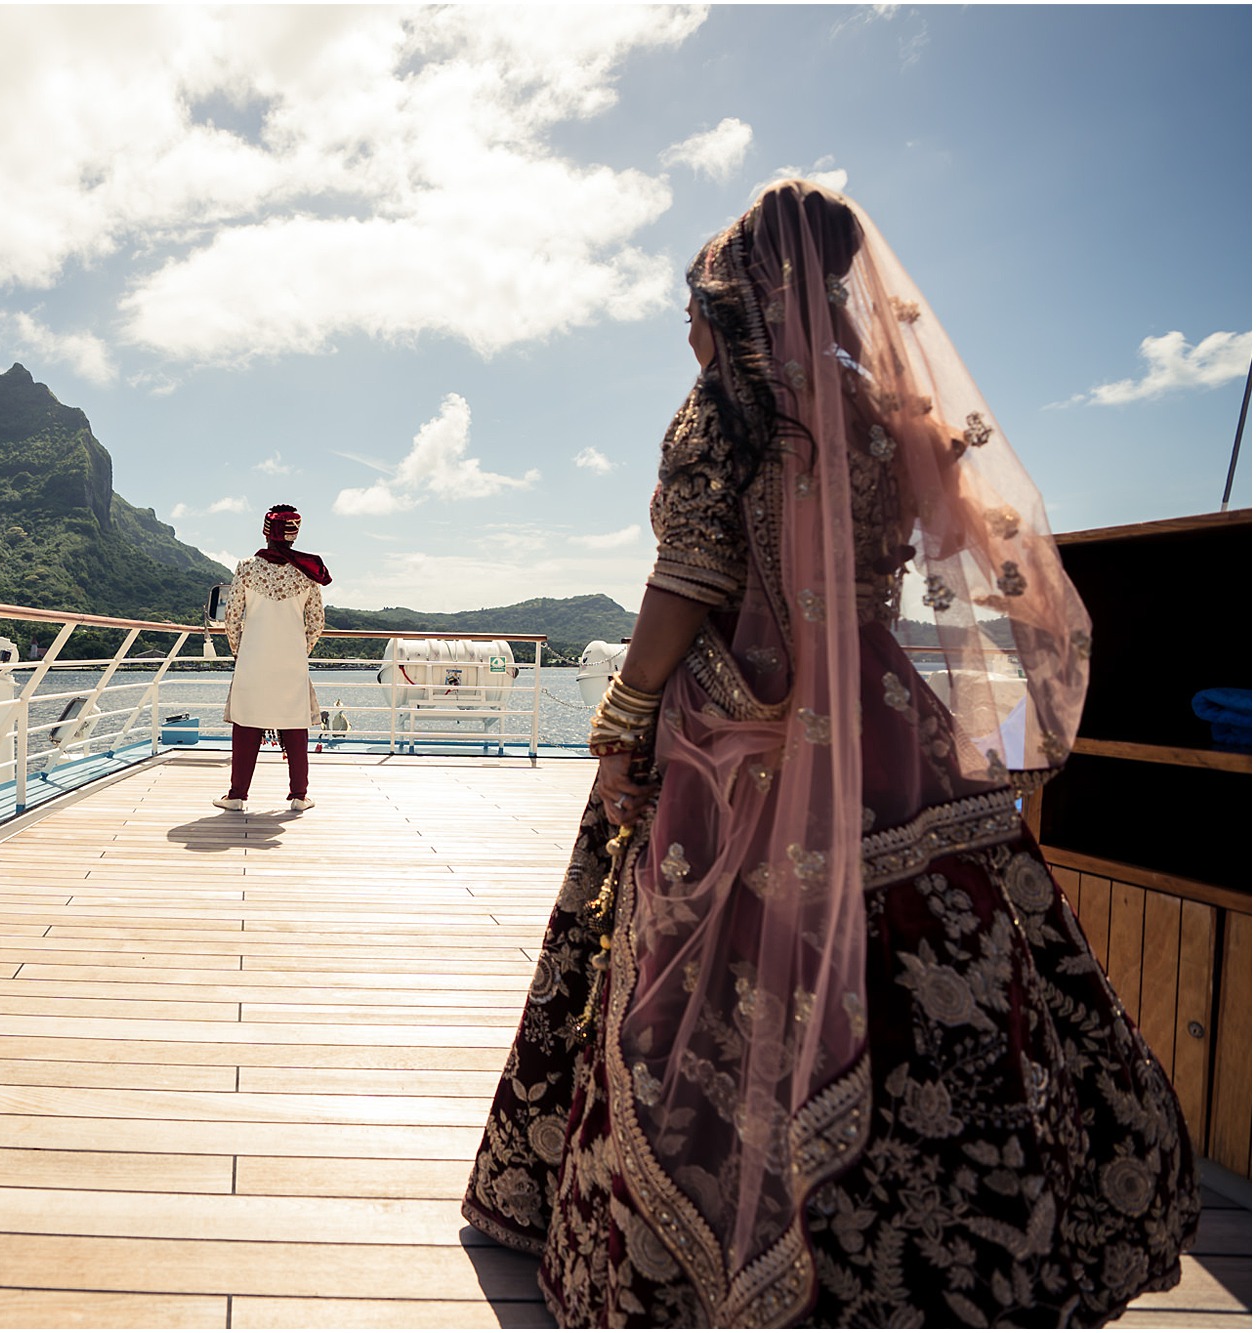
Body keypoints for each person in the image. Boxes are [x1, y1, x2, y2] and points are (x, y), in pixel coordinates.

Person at [462, 181, 1199, 1327]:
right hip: (880, 717)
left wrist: (621, 715)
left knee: (689, 956)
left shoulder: (728, 409)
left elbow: (691, 576)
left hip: (733, 729)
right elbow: (971, 548)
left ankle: (691, 1253)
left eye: (691, 304)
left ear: (737, 293)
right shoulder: (886, 413)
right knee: (940, 942)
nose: (686, 326)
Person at [215, 504, 329, 812]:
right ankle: (299, 796)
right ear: (294, 533)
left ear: (266, 532)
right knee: (294, 725)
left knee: (246, 723)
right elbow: (316, 622)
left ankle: (237, 795)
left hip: (253, 657)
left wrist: (241, 650)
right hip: (291, 659)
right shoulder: (307, 572)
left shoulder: (247, 567)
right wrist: (298, 649)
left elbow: (233, 616)